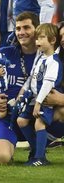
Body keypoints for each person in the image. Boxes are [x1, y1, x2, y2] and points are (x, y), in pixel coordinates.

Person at [0, 11, 41, 164]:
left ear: (37, 29)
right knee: (1, 158)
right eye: (18, 28)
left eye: (26, 28)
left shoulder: (47, 56)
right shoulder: (4, 54)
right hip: (6, 117)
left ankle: (44, 144)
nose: (21, 33)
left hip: (37, 117)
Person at [17, 23, 62, 166]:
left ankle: (40, 158)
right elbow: (32, 77)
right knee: (21, 121)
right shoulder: (40, 57)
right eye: (37, 38)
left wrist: (38, 102)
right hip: (33, 97)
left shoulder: (54, 61)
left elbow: (48, 84)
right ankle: (37, 150)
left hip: (44, 99)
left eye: (41, 38)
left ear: (52, 40)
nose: (37, 41)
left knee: (39, 123)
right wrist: (23, 91)